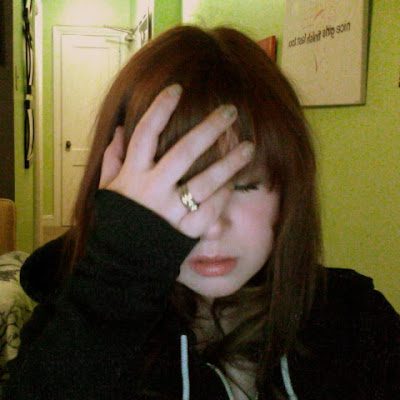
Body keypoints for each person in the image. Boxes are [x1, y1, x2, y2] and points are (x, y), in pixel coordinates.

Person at [4, 25, 399, 400]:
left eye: (245, 186)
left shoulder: (354, 318)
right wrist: (118, 276)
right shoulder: (72, 328)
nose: (210, 227)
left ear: (290, 191)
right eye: (178, 189)